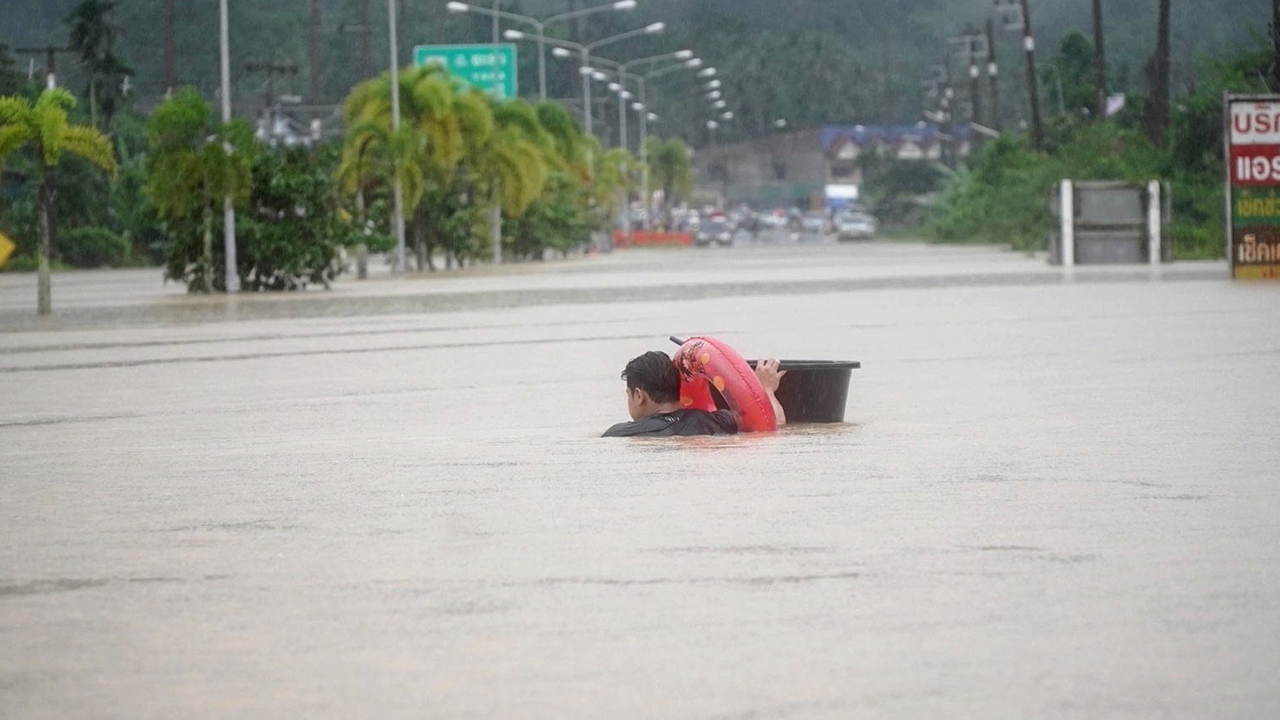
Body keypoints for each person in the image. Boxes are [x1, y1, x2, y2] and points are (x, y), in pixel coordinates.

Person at [602, 350, 787, 438]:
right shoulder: (715, 420)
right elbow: (773, 423)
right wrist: (766, 389)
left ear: (638, 395)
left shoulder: (620, 433)